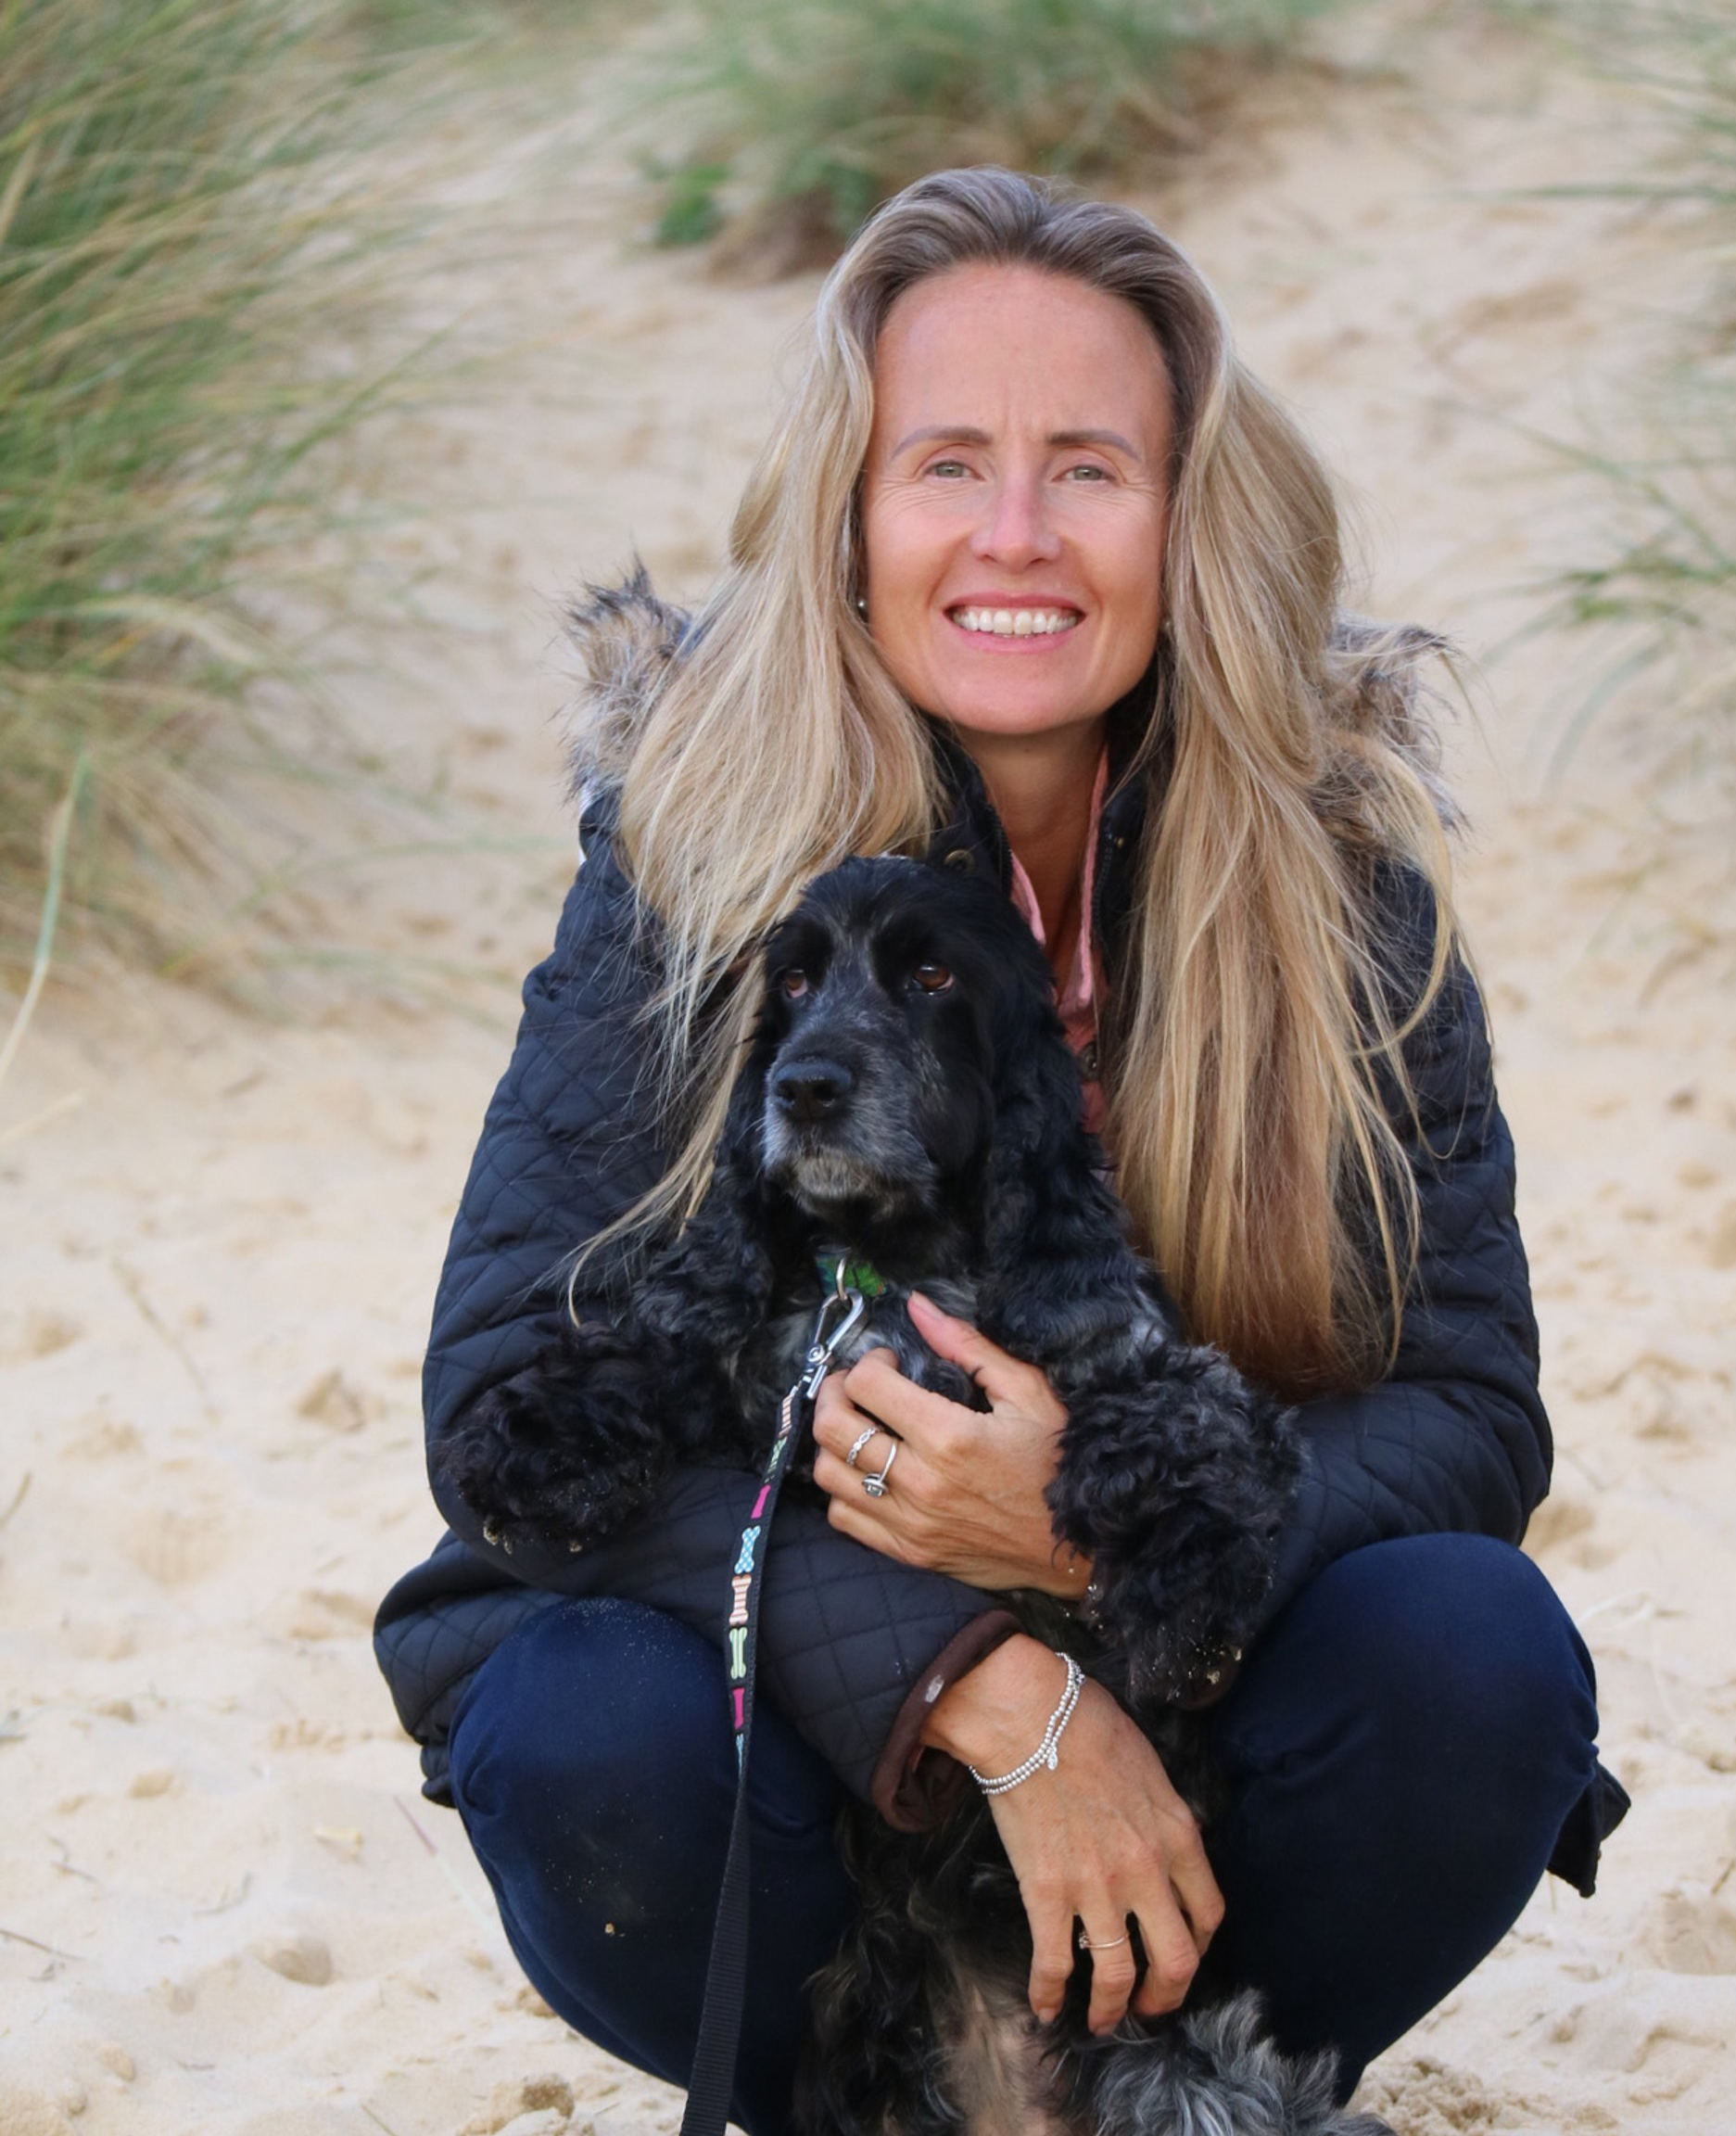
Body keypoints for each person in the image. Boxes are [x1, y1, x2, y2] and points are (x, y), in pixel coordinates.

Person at [373, 166, 1624, 2130]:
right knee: (581, 1724)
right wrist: (979, 1673)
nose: (1018, 535)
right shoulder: (694, 855)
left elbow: (1471, 1405)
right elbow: (506, 1397)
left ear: (1187, 514)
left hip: (1199, 1725)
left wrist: (1097, 1540)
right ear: (853, 520)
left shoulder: (1343, 875)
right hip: (794, 1757)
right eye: (948, 464)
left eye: (1092, 469)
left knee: (1476, 1653)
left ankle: (1202, 2079)